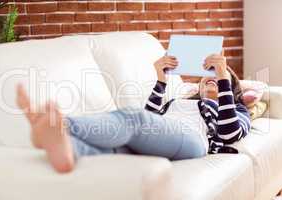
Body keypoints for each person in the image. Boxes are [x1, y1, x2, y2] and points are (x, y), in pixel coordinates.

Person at [16, 53, 251, 173]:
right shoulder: (179, 101)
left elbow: (229, 134)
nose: (211, 79)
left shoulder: (237, 109)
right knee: (115, 148)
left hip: (193, 141)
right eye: (207, 78)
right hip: (161, 138)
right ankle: (65, 149)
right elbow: (150, 118)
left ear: (230, 87)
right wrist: (161, 79)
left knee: (133, 117)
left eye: (219, 79)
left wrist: (222, 76)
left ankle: (60, 124)